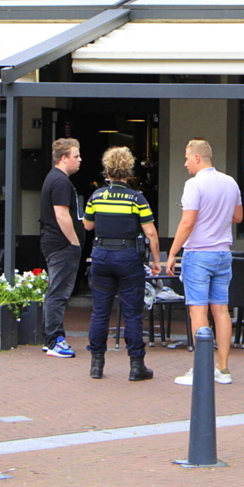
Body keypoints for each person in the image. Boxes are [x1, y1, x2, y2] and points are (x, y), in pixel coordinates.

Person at [165, 140, 243, 386]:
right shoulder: (230, 182)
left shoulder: (193, 184)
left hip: (198, 253)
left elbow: (187, 222)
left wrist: (172, 253)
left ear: (198, 158)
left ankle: (203, 368)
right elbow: (238, 216)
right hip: (223, 252)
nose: (185, 162)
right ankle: (223, 368)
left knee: (197, 310)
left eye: (187, 158)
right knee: (221, 310)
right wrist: (218, 213)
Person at [82, 147, 160, 381]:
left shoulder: (96, 196)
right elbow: (151, 233)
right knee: (133, 313)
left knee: (99, 312)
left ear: (107, 171)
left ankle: (97, 364)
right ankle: (136, 367)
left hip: (101, 256)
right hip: (128, 258)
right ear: (129, 171)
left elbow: (87, 225)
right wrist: (156, 261)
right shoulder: (137, 198)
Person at [41, 138, 83, 359]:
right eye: (76, 156)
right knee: (59, 292)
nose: (79, 160)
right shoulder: (60, 182)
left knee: (55, 290)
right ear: (64, 158)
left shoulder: (55, 179)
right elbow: (61, 214)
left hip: (54, 242)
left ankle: (49, 338)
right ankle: (55, 339)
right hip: (61, 244)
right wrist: (74, 242)